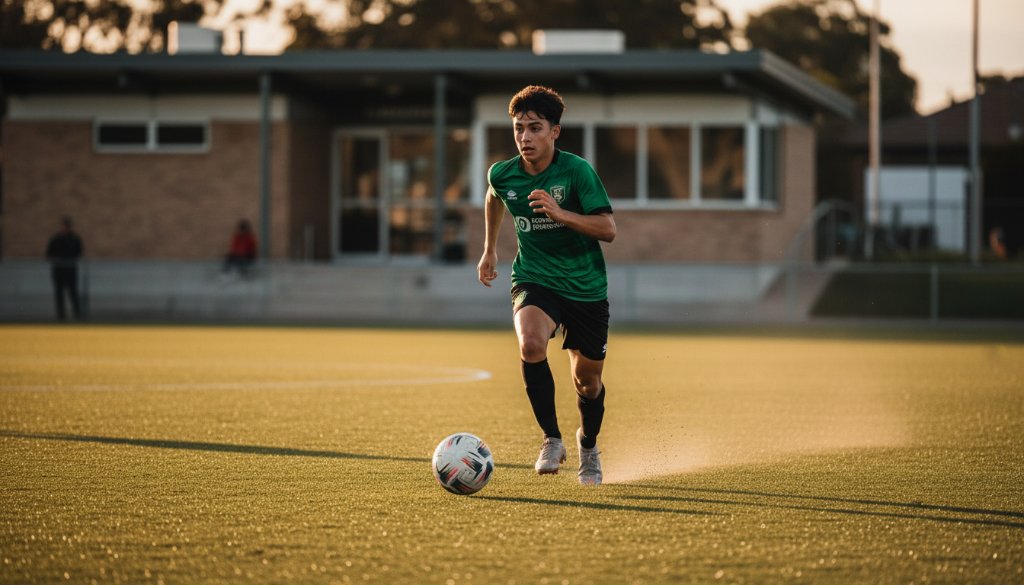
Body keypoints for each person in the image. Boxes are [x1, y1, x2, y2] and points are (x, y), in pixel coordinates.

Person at [477, 85, 616, 486]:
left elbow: (608, 229)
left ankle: (588, 446)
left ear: (555, 131)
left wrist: (560, 212)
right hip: (534, 278)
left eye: (534, 128)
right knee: (531, 343)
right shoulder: (503, 173)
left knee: (587, 383)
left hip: (586, 287)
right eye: (518, 128)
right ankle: (551, 439)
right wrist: (489, 250)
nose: (524, 137)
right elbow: (494, 196)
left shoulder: (577, 171)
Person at [45, 216, 84, 321]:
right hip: (58, 270)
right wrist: (56, 260)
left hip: (70, 269)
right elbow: (49, 254)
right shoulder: (56, 239)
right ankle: (61, 314)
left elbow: (79, 252)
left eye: (67, 226)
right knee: (59, 292)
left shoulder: (74, 239)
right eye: (63, 226)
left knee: (72, 292)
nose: (65, 228)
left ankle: (77, 314)